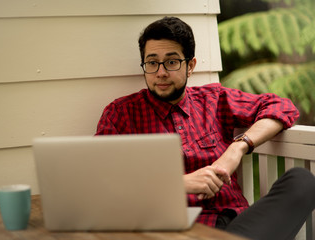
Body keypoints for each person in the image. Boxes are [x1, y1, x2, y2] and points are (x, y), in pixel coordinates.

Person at [95, 16, 315, 240]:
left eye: (171, 62)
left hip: (237, 225)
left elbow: (281, 107)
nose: (160, 72)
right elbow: (101, 181)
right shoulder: (121, 114)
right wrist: (179, 183)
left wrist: (237, 148)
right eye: (152, 63)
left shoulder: (214, 99)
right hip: (173, 232)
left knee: (302, 181)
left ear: (190, 66)